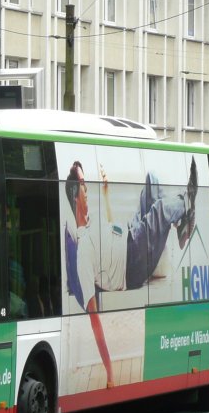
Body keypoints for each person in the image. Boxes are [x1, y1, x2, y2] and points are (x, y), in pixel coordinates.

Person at [64, 158, 198, 388]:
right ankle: (186, 203)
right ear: (76, 195)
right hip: (132, 263)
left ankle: (180, 225)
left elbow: (111, 229)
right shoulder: (83, 250)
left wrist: (106, 193)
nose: (88, 188)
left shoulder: (92, 221)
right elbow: (93, 317)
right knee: (158, 209)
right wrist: (109, 373)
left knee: (152, 180)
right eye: (84, 184)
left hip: (131, 233)